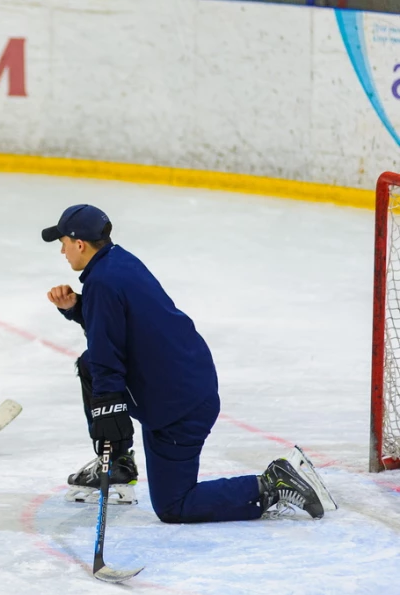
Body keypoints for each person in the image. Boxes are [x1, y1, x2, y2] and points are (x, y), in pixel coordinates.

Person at [42, 205, 336, 522]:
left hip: (177, 407)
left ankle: (273, 484)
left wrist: (106, 406)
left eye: (63, 242)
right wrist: (77, 308)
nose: (62, 250)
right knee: (90, 367)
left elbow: (107, 354)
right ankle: (117, 465)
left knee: (174, 505)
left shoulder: (101, 283)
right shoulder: (118, 262)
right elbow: (118, 327)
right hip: (186, 381)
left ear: (80, 244)